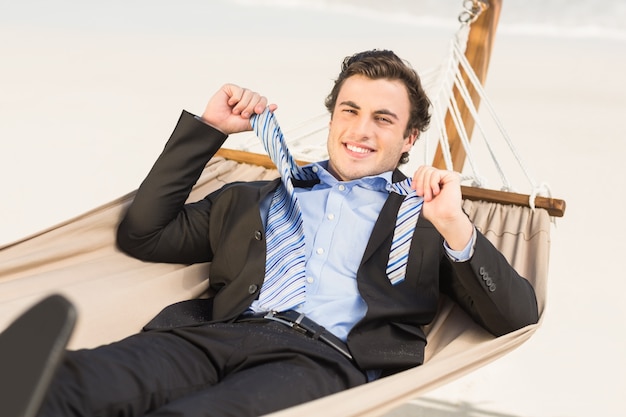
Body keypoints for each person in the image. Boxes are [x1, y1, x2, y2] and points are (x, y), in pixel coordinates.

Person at [34, 49, 538, 416]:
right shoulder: (256, 196)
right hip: (211, 334)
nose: (361, 131)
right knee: (66, 381)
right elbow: (142, 234)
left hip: (320, 360)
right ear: (332, 118)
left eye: (383, 120)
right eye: (350, 111)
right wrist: (208, 130)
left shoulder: (429, 219)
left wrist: (455, 227)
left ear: (409, 138)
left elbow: (516, 316)